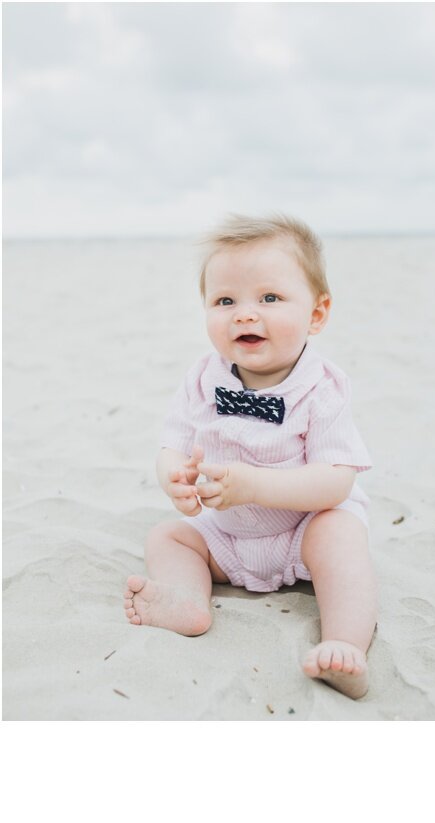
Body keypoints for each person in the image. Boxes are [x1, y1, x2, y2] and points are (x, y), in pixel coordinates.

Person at [124, 214, 379, 699]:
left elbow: (335, 481)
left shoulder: (322, 391)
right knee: (168, 536)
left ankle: (346, 647)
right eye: (225, 301)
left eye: (269, 298)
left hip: (301, 532)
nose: (244, 313)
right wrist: (173, 477)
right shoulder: (203, 379)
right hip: (226, 535)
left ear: (317, 314)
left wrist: (255, 486)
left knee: (342, 534)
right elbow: (172, 444)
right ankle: (186, 603)